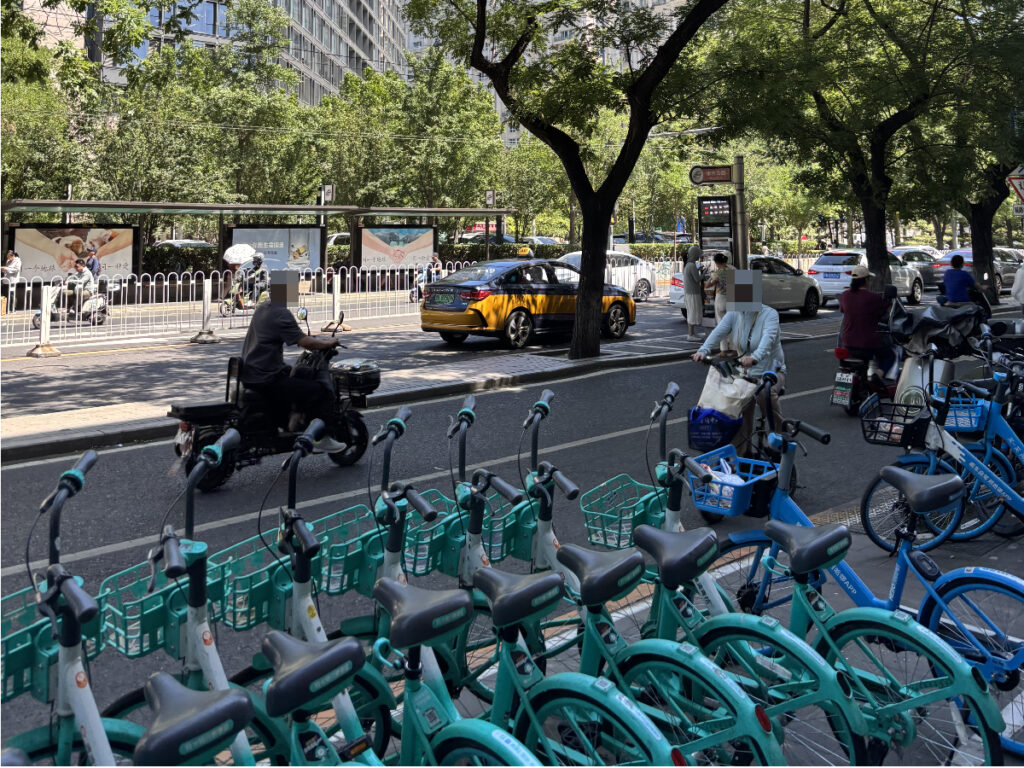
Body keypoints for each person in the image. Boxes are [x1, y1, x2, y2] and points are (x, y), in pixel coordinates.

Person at [240, 271, 341, 439]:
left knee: (297, 373)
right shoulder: (281, 313)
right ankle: (323, 438)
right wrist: (328, 343)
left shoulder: (262, 308)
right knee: (319, 391)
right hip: (266, 378)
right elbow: (304, 342)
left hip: (252, 372)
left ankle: (293, 418)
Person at [692, 277, 786, 456]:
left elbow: (768, 339)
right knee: (738, 409)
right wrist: (703, 351)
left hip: (770, 372)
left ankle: (779, 437)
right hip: (746, 374)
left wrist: (755, 358)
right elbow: (718, 332)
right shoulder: (735, 314)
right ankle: (741, 455)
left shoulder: (770, 314)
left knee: (766, 395)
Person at [839, 265, 896, 376]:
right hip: (867, 343)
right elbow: (886, 312)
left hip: (847, 342)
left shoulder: (845, 295)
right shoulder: (873, 297)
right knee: (890, 356)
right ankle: (877, 376)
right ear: (866, 280)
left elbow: (843, 310)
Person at [706, 253, 732, 350]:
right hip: (732, 298)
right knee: (732, 323)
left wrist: (714, 280)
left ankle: (724, 349)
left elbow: (707, 285)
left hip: (721, 298)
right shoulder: (733, 270)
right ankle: (734, 348)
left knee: (721, 325)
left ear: (716, 262)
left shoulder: (717, 273)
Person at [683, 245, 705, 342]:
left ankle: (691, 333)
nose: (698, 257)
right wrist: (704, 272)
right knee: (692, 313)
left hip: (689, 293)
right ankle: (691, 334)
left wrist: (699, 270)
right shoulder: (691, 265)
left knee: (690, 313)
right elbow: (697, 279)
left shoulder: (688, 264)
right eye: (698, 255)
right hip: (693, 293)